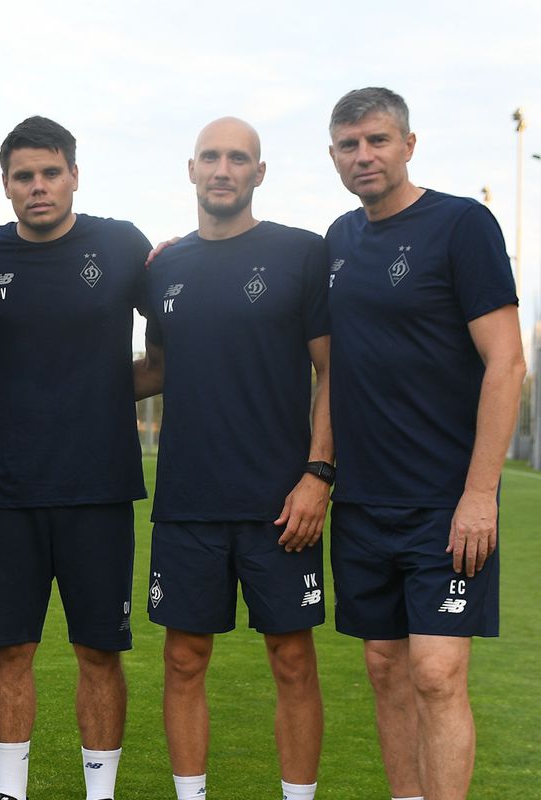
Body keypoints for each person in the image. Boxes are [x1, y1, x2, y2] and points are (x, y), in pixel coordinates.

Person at [325, 87, 525, 800]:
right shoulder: (339, 240)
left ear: (409, 145)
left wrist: (479, 494)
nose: (364, 155)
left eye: (377, 140)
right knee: (384, 666)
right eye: (349, 145)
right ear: (333, 156)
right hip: (362, 501)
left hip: (446, 502)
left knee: (437, 673)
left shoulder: (462, 225)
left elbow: (507, 361)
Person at [0, 116, 152, 800]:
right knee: (12, 647)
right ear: (5, 185)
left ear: (74, 174)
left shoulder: (122, 246)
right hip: (7, 491)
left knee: (99, 650)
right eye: (23, 177)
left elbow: (174, 343)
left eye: (50, 173)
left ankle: (101, 793)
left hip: (99, 487)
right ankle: (11, 791)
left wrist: (102, 386)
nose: (37, 187)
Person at [136, 117, 332, 800]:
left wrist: (318, 474)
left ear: (259, 173)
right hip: (188, 501)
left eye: (238, 158)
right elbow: (155, 368)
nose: (223, 169)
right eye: (211, 157)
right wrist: (49, 382)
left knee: (292, 661)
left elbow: (331, 372)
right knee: (184, 660)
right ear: (191, 170)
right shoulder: (163, 269)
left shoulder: (302, 255)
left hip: (281, 504)